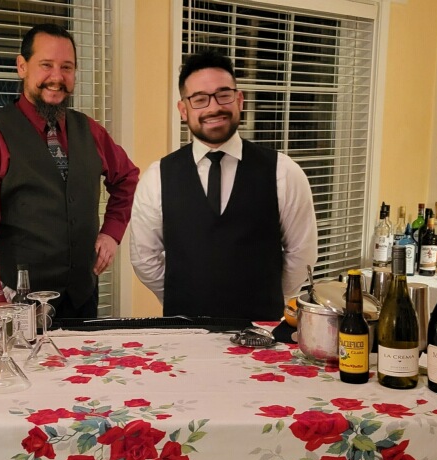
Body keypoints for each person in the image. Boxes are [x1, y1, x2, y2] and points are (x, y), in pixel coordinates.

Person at [0, 23, 139, 318]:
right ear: (22, 67)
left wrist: (112, 232)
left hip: (82, 298)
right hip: (17, 304)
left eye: (67, 67)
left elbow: (127, 177)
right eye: (46, 65)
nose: (57, 78)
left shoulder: (89, 130)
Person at [129, 49, 318, 321]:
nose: (213, 107)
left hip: (262, 332)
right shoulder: (157, 176)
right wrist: (181, 294)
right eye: (199, 99)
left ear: (239, 100)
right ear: (183, 110)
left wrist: (265, 296)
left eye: (223, 94)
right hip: (184, 333)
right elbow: (144, 258)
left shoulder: (284, 172)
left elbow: (302, 254)